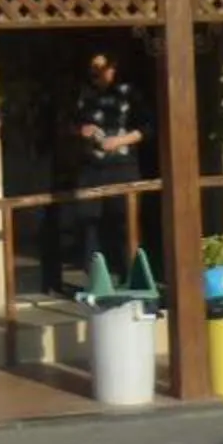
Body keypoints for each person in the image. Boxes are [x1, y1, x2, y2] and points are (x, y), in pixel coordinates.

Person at [69, 49, 149, 278]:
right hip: (91, 168)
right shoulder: (83, 94)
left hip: (123, 167)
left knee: (126, 224)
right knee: (89, 224)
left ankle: (132, 278)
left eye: (101, 69)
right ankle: (96, 281)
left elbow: (147, 128)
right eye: (93, 70)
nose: (97, 75)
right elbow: (68, 124)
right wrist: (81, 130)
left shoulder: (130, 93)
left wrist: (120, 141)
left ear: (113, 68)